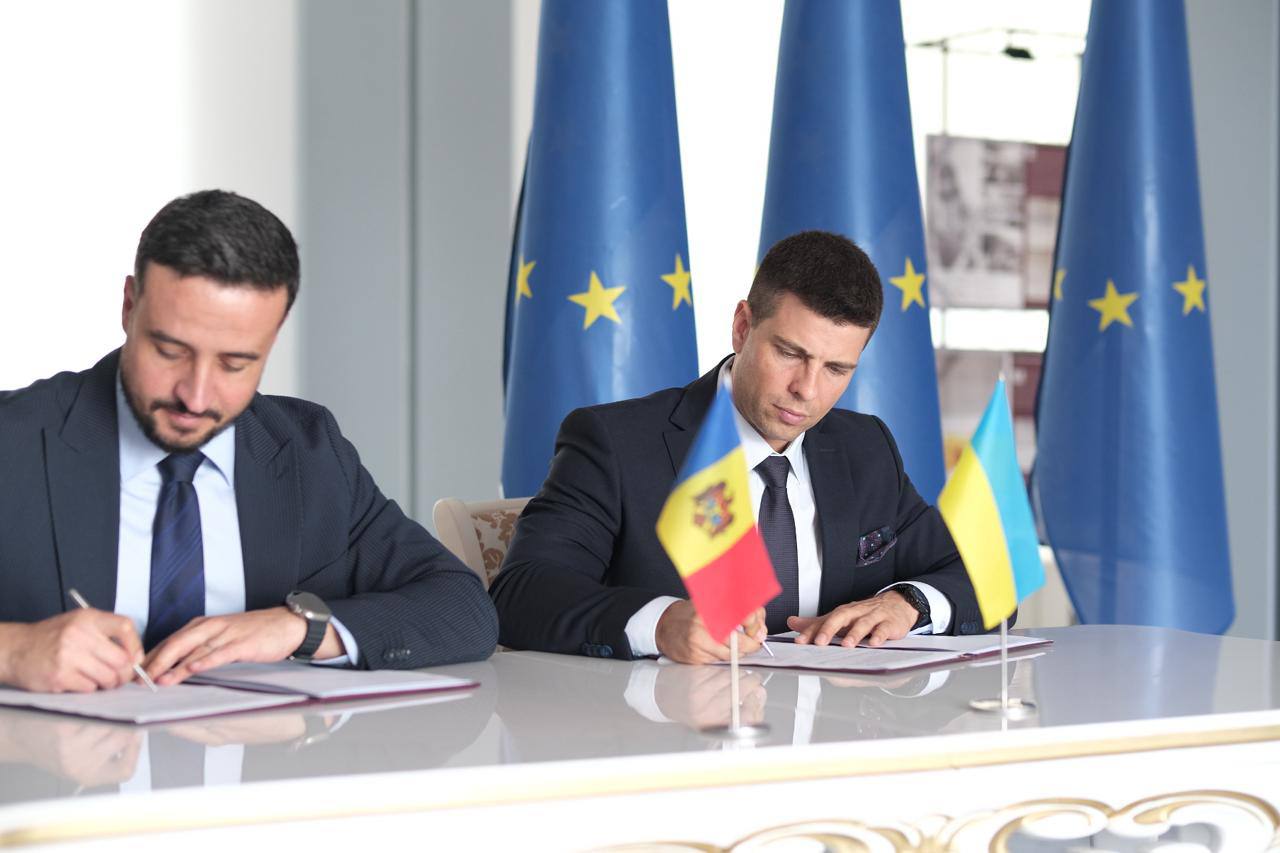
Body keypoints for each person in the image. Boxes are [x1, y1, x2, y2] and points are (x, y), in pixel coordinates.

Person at [0, 190, 497, 693]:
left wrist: (300, 628)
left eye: (234, 364)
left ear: (270, 341)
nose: (195, 396)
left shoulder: (309, 451)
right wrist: (12, 650)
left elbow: (462, 608)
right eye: (170, 352)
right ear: (129, 307)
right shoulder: (12, 441)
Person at [491, 230, 990, 664]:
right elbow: (521, 593)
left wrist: (907, 604)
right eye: (790, 353)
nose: (807, 390)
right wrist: (661, 624)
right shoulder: (616, 442)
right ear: (743, 327)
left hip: (834, 730)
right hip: (670, 729)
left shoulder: (866, 447)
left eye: (837, 369)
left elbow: (985, 576)